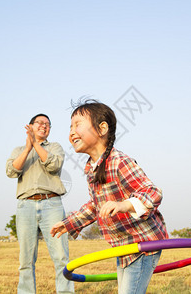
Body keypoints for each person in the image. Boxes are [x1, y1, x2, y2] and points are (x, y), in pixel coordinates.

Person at [50, 101, 168, 294]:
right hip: (123, 247)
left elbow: (152, 192)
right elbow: (95, 207)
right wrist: (70, 223)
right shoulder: (91, 169)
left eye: (78, 124)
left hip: (143, 244)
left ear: (102, 128)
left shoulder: (119, 162)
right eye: (70, 126)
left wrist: (124, 205)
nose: (71, 132)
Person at [6, 113, 74, 294]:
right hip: (25, 205)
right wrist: (28, 148)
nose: (44, 126)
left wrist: (35, 144)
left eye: (48, 124)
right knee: (26, 260)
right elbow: (11, 171)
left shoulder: (55, 147)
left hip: (51, 204)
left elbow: (53, 166)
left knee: (61, 257)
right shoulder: (18, 150)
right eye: (40, 123)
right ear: (30, 126)